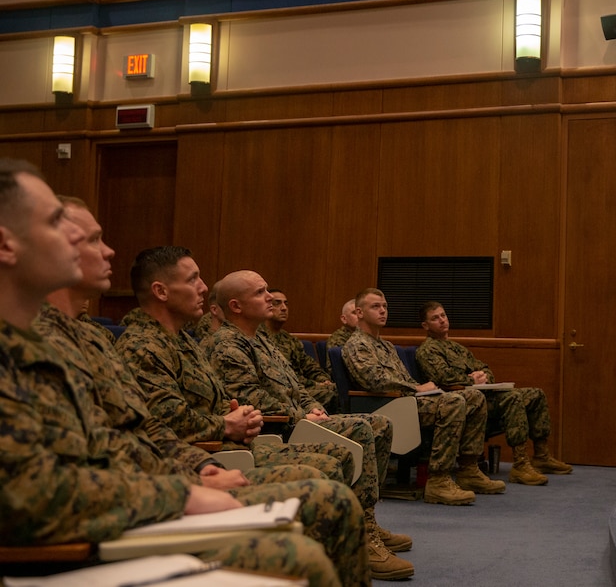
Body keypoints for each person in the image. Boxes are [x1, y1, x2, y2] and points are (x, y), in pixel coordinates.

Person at [0, 159, 343, 586]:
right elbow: (32, 496)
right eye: (57, 224)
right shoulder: (34, 345)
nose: (100, 248)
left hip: (129, 499)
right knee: (300, 551)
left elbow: (127, 435)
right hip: (66, 549)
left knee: (310, 521)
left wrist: (195, 470)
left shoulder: (51, 340)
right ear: (6, 246)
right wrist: (180, 493)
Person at [117, 247, 372, 522]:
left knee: (339, 457)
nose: (203, 288)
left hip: (234, 446)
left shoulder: (183, 341)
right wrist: (227, 424)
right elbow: (167, 420)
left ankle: (361, 534)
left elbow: (221, 400)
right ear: (161, 291)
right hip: (202, 457)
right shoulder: (143, 346)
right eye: (193, 279)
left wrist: (243, 418)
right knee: (323, 472)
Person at [208, 270, 414, 581]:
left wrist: (311, 407)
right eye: (261, 293)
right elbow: (247, 395)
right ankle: (361, 537)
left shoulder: (261, 338)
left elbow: (295, 384)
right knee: (361, 428)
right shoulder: (226, 343)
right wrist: (299, 416)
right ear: (236, 306)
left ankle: (365, 521)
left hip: (297, 419)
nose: (270, 299)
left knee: (380, 424)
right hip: (274, 430)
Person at [342, 288, 504, 505]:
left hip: (404, 402)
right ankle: (438, 480)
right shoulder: (356, 344)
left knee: (474, 397)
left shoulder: (386, 345)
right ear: (360, 313)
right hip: (384, 407)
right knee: (453, 402)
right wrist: (415, 388)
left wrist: (417, 389)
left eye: (385, 306)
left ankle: (468, 469)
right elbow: (373, 380)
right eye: (375, 307)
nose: (383, 311)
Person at [415, 300, 572, 485]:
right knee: (512, 398)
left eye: (443, 315)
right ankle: (521, 464)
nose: (442, 320)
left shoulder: (457, 348)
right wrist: (471, 380)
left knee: (535, 394)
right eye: (435, 318)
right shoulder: (426, 351)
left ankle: (541, 455)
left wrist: (484, 376)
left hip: (484, 394)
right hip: (466, 401)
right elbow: (443, 378)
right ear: (425, 325)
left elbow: (484, 367)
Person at [261, 287, 339, 413]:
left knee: (335, 388)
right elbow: (284, 375)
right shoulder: (260, 338)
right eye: (277, 303)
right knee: (333, 394)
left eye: (286, 303)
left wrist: (323, 379)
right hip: (285, 390)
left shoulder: (289, 339)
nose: (284, 308)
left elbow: (308, 365)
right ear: (266, 307)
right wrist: (315, 384)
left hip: (303, 388)